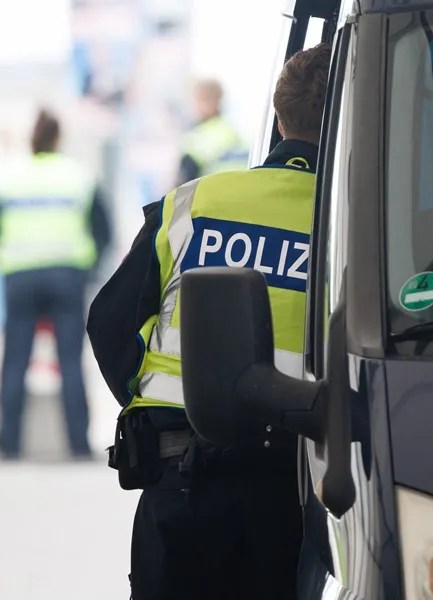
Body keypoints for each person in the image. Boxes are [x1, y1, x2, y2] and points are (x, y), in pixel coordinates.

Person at [86, 43, 332, 600]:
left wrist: (148, 397)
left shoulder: (192, 203)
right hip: (297, 486)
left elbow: (109, 321)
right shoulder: (353, 220)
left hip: (180, 476)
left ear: (278, 115)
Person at [0, 108, 111, 461]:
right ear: (58, 138)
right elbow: (103, 229)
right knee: (70, 362)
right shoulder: (78, 175)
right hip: (66, 276)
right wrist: (90, 268)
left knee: (15, 363)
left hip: (20, 276)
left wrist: (3, 261)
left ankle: (8, 444)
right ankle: (78, 444)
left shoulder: (9, 176)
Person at [175, 78, 250, 185]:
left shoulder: (197, 139)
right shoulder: (236, 134)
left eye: (200, 99)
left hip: (209, 198)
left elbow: (182, 188)